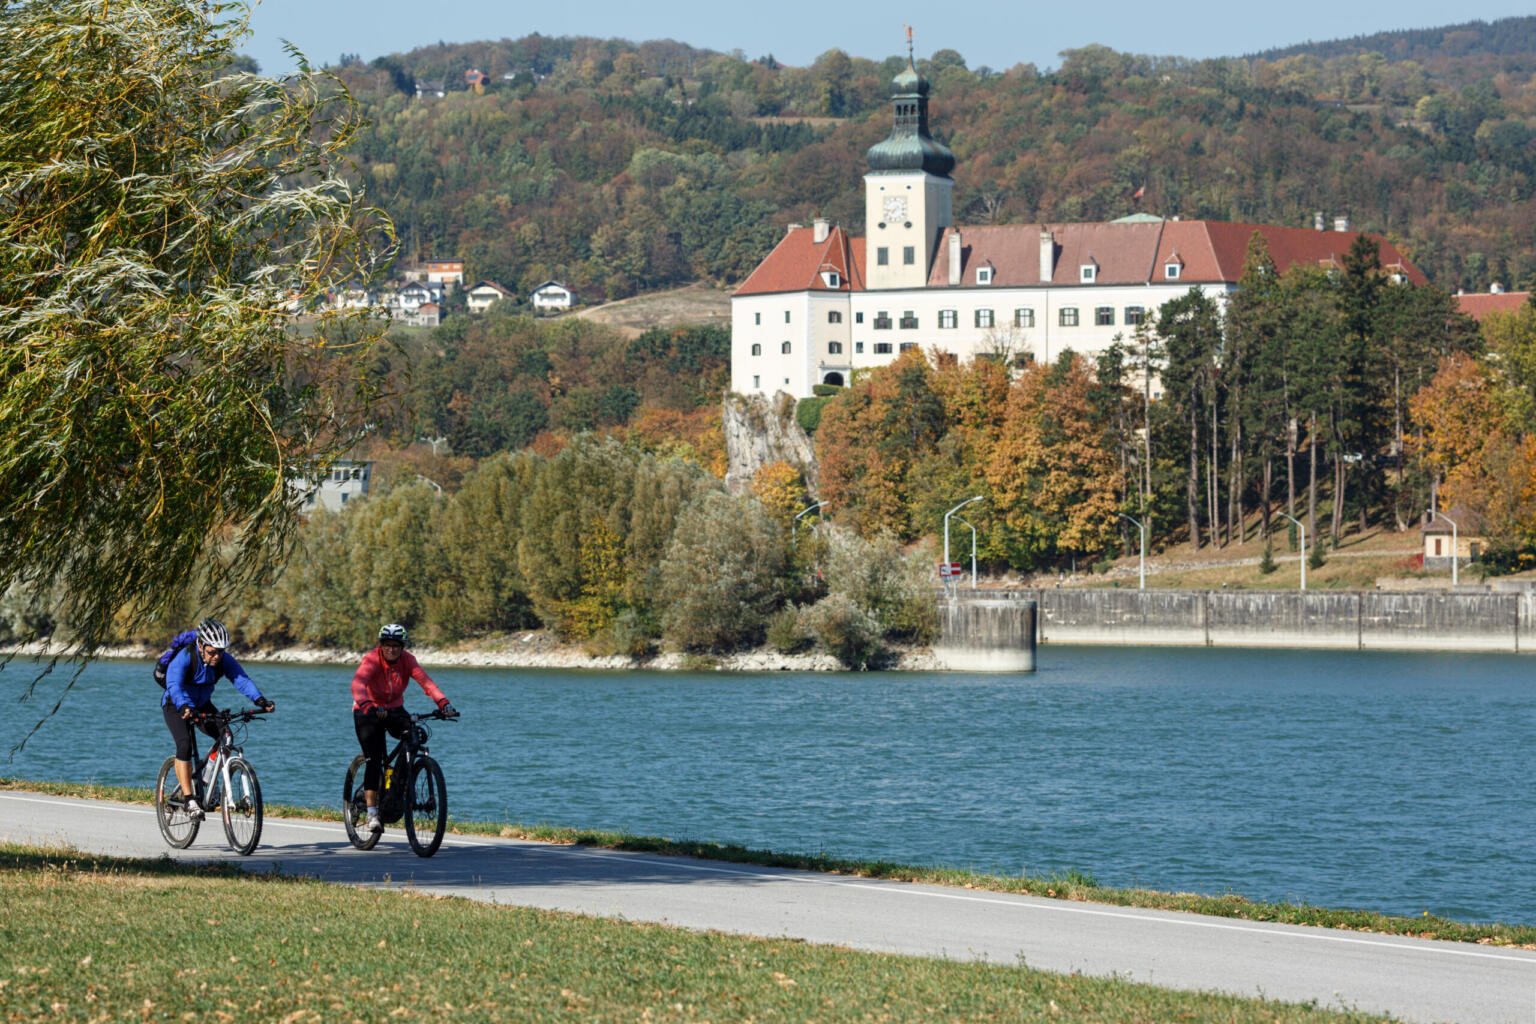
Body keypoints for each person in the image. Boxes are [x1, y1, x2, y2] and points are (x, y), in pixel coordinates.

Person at [161, 618, 275, 818]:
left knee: (226, 737)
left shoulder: (223, 660)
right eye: (212, 651)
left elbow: (241, 679)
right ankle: (188, 800)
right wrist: (183, 705)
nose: (216, 656)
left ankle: (205, 782)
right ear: (200, 645)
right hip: (176, 704)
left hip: (202, 704)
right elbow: (174, 683)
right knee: (184, 745)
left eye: (220, 651)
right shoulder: (186, 656)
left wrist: (260, 700)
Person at [351, 623, 457, 833]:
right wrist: (366, 704)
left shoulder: (408, 660)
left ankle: (397, 788)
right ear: (381, 645)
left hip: (394, 710)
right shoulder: (372, 659)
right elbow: (358, 684)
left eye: (396, 645)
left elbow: (427, 683)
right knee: (373, 759)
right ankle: (372, 813)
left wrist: (444, 704)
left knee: (415, 736)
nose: (392, 649)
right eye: (387, 645)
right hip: (368, 711)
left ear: (402, 646)